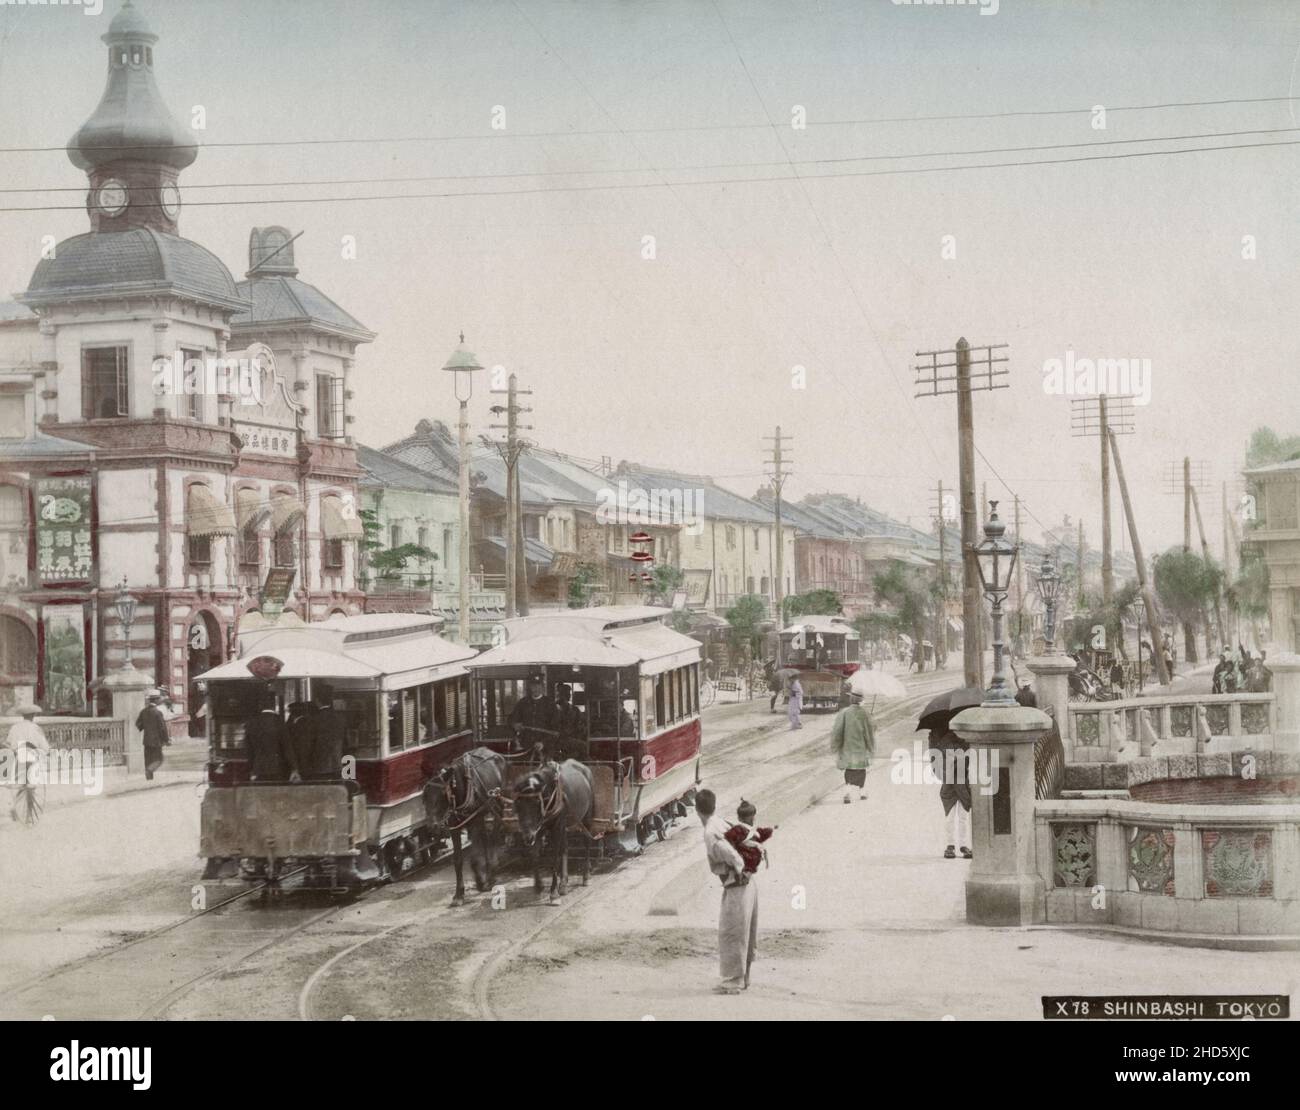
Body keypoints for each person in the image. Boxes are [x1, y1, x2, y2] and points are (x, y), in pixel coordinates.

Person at [696, 788, 756, 995]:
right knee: (744, 931)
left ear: (697, 810)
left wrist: (742, 870)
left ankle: (733, 982)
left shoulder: (710, 832)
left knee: (731, 931)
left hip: (738, 883)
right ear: (713, 806)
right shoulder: (719, 821)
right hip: (745, 883)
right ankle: (744, 978)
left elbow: (733, 855)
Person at [930, 726, 972, 859]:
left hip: (963, 785)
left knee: (962, 817)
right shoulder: (943, 742)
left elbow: (970, 763)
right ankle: (951, 845)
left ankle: (962, 845)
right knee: (951, 817)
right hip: (950, 785)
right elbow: (937, 764)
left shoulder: (967, 741)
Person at [829, 689, 875, 803]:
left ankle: (847, 793)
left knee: (849, 770)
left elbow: (837, 731)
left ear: (851, 699)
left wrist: (835, 746)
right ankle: (862, 792)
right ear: (861, 701)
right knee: (861, 770)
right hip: (861, 748)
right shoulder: (865, 713)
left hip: (848, 748)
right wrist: (871, 747)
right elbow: (870, 733)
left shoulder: (844, 712)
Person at [4, 704, 49, 817]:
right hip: (31, 760)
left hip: (18, 759)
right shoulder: (35, 728)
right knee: (30, 785)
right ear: (33, 715)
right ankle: (28, 813)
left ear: (23, 716)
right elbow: (44, 746)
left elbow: (9, 743)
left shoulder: (15, 727)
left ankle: (17, 807)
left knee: (23, 785)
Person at [245, 689, 288, 781]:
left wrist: (251, 769)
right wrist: (294, 768)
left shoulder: (252, 723)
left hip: (258, 768)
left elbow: (249, 750)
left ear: (260, 705)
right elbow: (287, 747)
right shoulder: (279, 721)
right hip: (277, 768)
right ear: (274, 704)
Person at [724, 799, 774, 874]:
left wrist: (769, 831)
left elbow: (760, 834)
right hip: (744, 855)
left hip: (752, 855)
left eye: (752, 816)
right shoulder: (738, 829)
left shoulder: (752, 828)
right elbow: (728, 836)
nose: (752, 818)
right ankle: (744, 871)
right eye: (750, 817)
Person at [509, 674, 555, 752]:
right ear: (530, 687)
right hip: (525, 746)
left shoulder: (550, 704)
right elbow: (512, 719)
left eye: (538, 685)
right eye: (533, 686)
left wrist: (543, 742)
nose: (536, 688)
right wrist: (514, 725)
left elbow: (556, 728)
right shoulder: (523, 702)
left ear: (542, 687)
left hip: (545, 747)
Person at [135, 693, 171, 781]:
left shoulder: (143, 711)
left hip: (146, 740)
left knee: (148, 760)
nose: (159, 700)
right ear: (155, 700)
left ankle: (149, 779)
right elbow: (162, 728)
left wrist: (145, 727)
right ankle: (150, 770)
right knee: (159, 759)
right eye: (158, 699)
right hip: (156, 741)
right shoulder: (158, 713)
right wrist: (166, 740)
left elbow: (138, 724)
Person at [551, 683, 589, 762]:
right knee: (583, 746)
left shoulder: (574, 710)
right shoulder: (552, 708)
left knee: (583, 745)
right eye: (566, 693)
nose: (569, 695)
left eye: (569, 694)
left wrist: (578, 732)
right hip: (557, 739)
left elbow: (580, 725)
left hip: (570, 738)